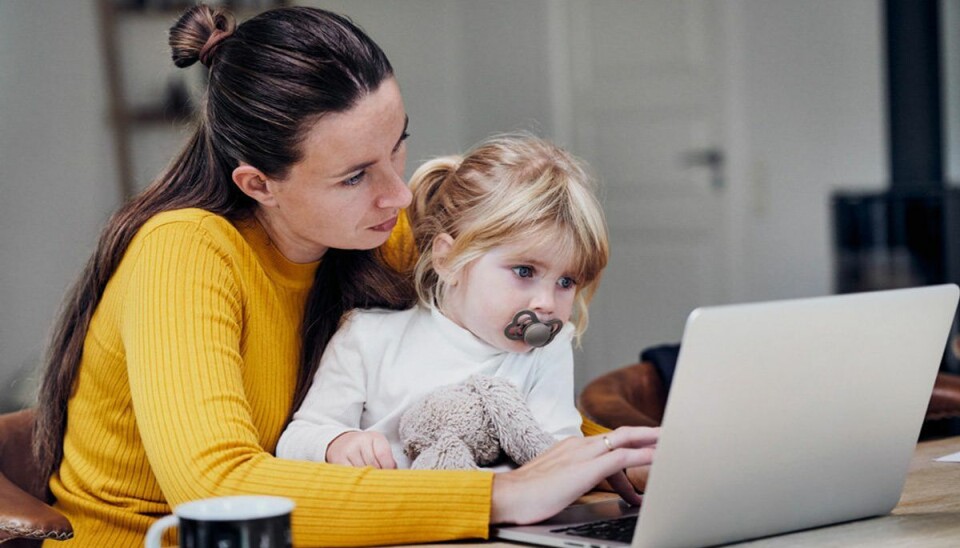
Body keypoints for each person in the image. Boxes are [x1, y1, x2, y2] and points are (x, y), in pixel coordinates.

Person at [31, 4, 658, 547]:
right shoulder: (183, 253)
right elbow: (215, 487)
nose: (398, 195)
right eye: (355, 176)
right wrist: (498, 496)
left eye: (398, 146)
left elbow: (475, 378)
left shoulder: (376, 234)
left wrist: (614, 460)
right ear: (259, 184)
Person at [277, 135, 606, 470]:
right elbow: (298, 437)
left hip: (504, 517)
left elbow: (558, 452)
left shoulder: (547, 352)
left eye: (567, 282)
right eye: (524, 271)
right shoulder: (367, 337)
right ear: (448, 260)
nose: (546, 303)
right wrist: (337, 443)